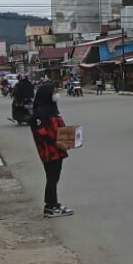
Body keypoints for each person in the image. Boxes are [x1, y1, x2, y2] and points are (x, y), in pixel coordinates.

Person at [31, 82, 74, 217]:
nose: (56, 94)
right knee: (52, 178)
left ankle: (54, 204)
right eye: (54, 92)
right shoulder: (40, 114)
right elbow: (42, 133)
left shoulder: (50, 109)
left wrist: (68, 139)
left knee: (54, 178)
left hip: (57, 150)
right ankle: (50, 207)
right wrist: (57, 142)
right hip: (50, 152)